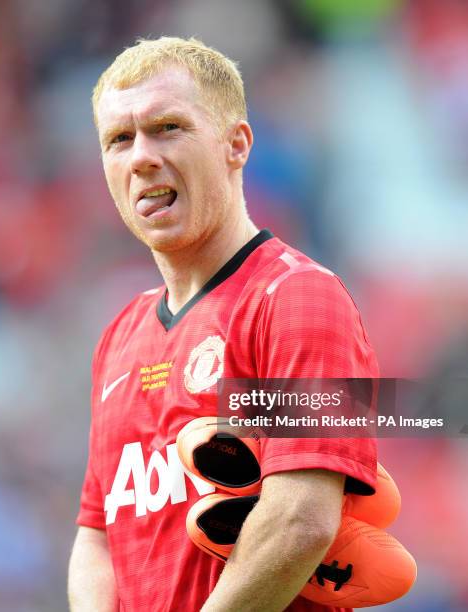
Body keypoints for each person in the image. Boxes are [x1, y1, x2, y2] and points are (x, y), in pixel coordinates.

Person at [68, 36, 379, 612]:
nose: (140, 156)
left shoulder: (296, 297)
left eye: (168, 127)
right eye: (118, 139)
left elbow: (301, 518)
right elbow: (98, 535)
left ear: (236, 145)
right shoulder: (119, 336)